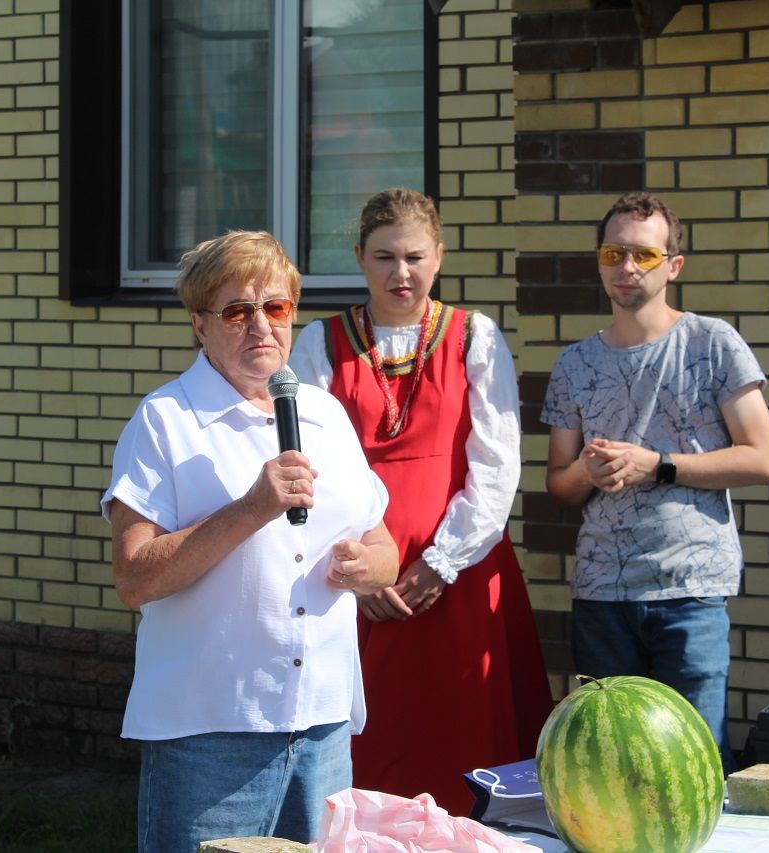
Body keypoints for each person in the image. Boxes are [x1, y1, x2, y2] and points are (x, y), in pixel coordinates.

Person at [101, 231, 400, 853]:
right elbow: (135, 579)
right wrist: (253, 509)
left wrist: (366, 567)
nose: (260, 326)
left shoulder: (325, 414)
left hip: (322, 725)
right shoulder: (164, 421)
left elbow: (385, 547)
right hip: (211, 734)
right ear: (199, 324)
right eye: (236, 311)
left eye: (277, 308)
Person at [289, 188, 552, 816]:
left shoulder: (474, 338)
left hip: (460, 567)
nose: (399, 273)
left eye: (413, 257)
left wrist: (442, 561)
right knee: (370, 730)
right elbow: (310, 466)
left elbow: (496, 462)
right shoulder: (320, 345)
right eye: (383, 257)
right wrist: (359, 572)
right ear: (359, 258)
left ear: (438, 257)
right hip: (354, 567)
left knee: (463, 720)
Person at [540, 191, 769, 772]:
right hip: (601, 594)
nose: (626, 268)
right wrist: (587, 473)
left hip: (690, 590)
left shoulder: (711, 343)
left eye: (644, 255)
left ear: (673, 265)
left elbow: (763, 459)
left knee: (691, 768)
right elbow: (559, 485)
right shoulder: (575, 363)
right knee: (609, 771)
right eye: (613, 253)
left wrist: (659, 464)